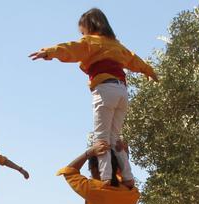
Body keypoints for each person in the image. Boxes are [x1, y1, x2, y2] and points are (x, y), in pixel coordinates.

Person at [30, 8, 156, 184]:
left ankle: (105, 178)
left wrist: (49, 52)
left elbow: (70, 48)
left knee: (101, 139)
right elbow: (134, 59)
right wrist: (150, 72)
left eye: (83, 32)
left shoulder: (90, 42)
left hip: (105, 90)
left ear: (89, 27)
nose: (82, 35)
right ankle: (128, 177)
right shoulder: (117, 45)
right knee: (114, 138)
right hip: (122, 91)